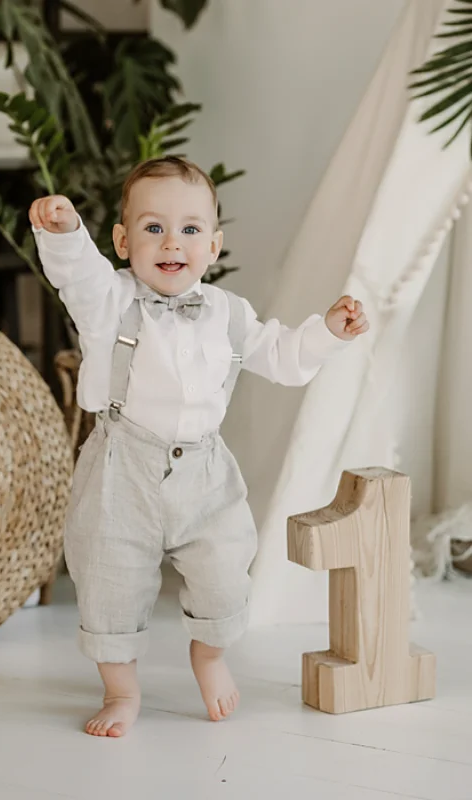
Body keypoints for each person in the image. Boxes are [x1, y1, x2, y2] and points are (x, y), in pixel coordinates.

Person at [29, 156, 369, 738]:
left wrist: (327, 333)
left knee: (225, 570)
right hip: (120, 467)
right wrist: (63, 233)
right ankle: (121, 690)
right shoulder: (108, 301)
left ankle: (209, 657)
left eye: (189, 229)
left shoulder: (229, 314)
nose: (171, 242)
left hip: (205, 470)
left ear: (213, 246)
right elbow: (79, 275)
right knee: (109, 579)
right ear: (122, 239)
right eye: (152, 227)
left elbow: (284, 357)